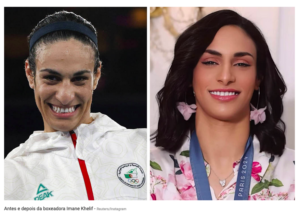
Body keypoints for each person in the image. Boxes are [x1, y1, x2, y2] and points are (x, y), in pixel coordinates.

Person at [150, 9, 294, 200]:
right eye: (210, 62)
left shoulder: (292, 171)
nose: (226, 77)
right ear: (190, 74)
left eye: (241, 64)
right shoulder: (149, 172)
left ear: (258, 78)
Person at [5, 11, 146, 200]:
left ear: (96, 76)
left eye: (79, 79)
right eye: (51, 78)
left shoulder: (146, 146)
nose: (65, 96)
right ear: (30, 74)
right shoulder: (12, 175)